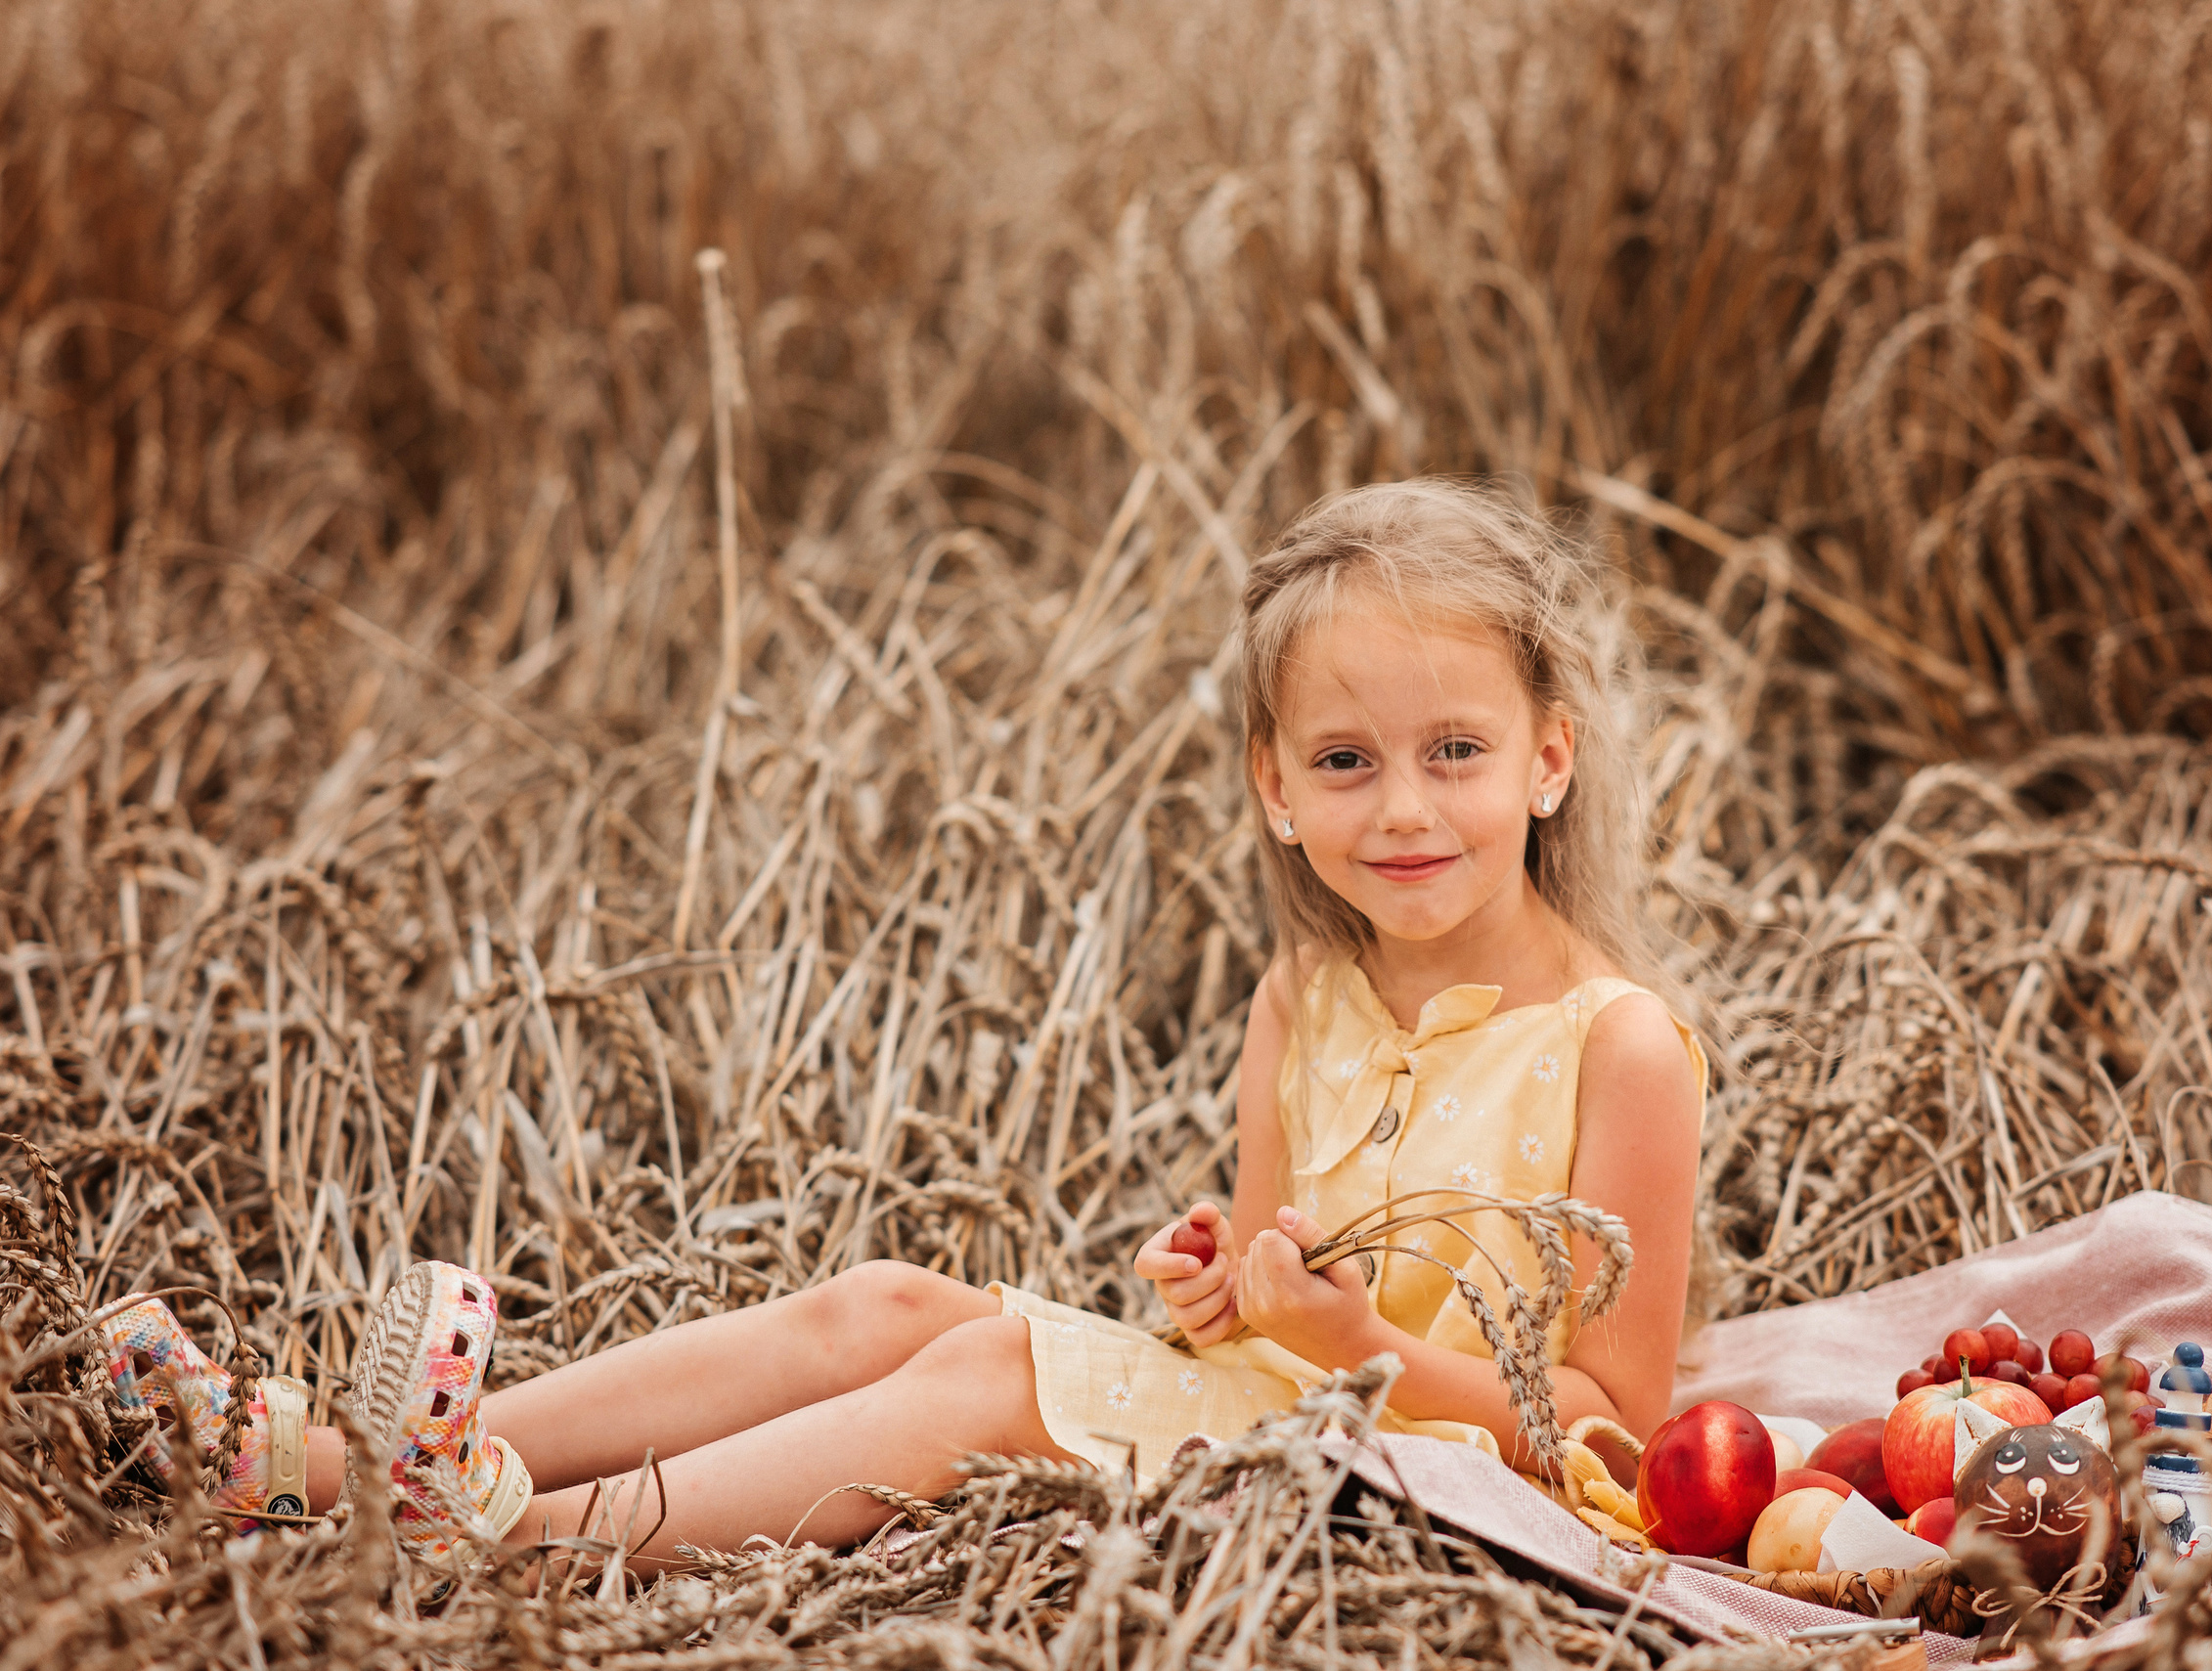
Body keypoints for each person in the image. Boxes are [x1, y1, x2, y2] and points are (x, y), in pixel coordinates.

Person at [99, 479, 1708, 1574]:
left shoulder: (1615, 1043)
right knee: (881, 1301)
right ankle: (362, 1447)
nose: (1404, 805)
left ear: (1548, 761)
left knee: (993, 1369)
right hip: (1283, 1400)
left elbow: (1621, 1438)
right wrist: (1221, 1286)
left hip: (1415, 1479)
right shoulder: (1308, 997)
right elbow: (1259, 1306)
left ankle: (512, 1530)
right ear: (1275, 790)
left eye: (1456, 751)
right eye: (1347, 762)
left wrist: (1360, 1341)